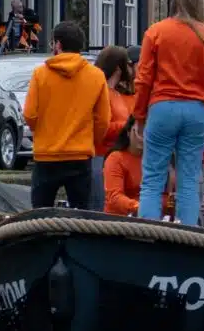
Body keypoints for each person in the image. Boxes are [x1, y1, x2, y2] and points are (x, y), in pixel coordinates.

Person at [132, 0, 204, 225]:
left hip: (162, 107)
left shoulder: (156, 32)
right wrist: (199, 90)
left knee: (153, 177)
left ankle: (148, 231)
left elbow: (143, 79)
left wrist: (139, 116)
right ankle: (187, 231)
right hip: (196, 110)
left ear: (174, 4)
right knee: (189, 179)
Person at [21, 20, 111, 209]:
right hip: (80, 155)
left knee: (40, 214)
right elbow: (103, 119)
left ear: (58, 44)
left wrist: (42, 131)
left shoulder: (40, 74)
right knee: (81, 214)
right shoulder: (96, 76)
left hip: (46, 155)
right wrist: (89, 140)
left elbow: (29, 114)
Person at [92, 45, 136, 210]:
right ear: (119, 68)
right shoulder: (102, 92)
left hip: (114, 155)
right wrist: (126, 126)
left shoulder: (117, 93)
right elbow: (101, 127)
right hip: (101, 157)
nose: (131, 69)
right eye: (128, 64)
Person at [103, 120, 151, 216]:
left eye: (147, 133)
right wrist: (139, 207)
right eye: (139, 131)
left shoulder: (157, 159)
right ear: (128, 132)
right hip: (119, 218)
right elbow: (114, 197)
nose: (141, 137)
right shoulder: (116, 158)